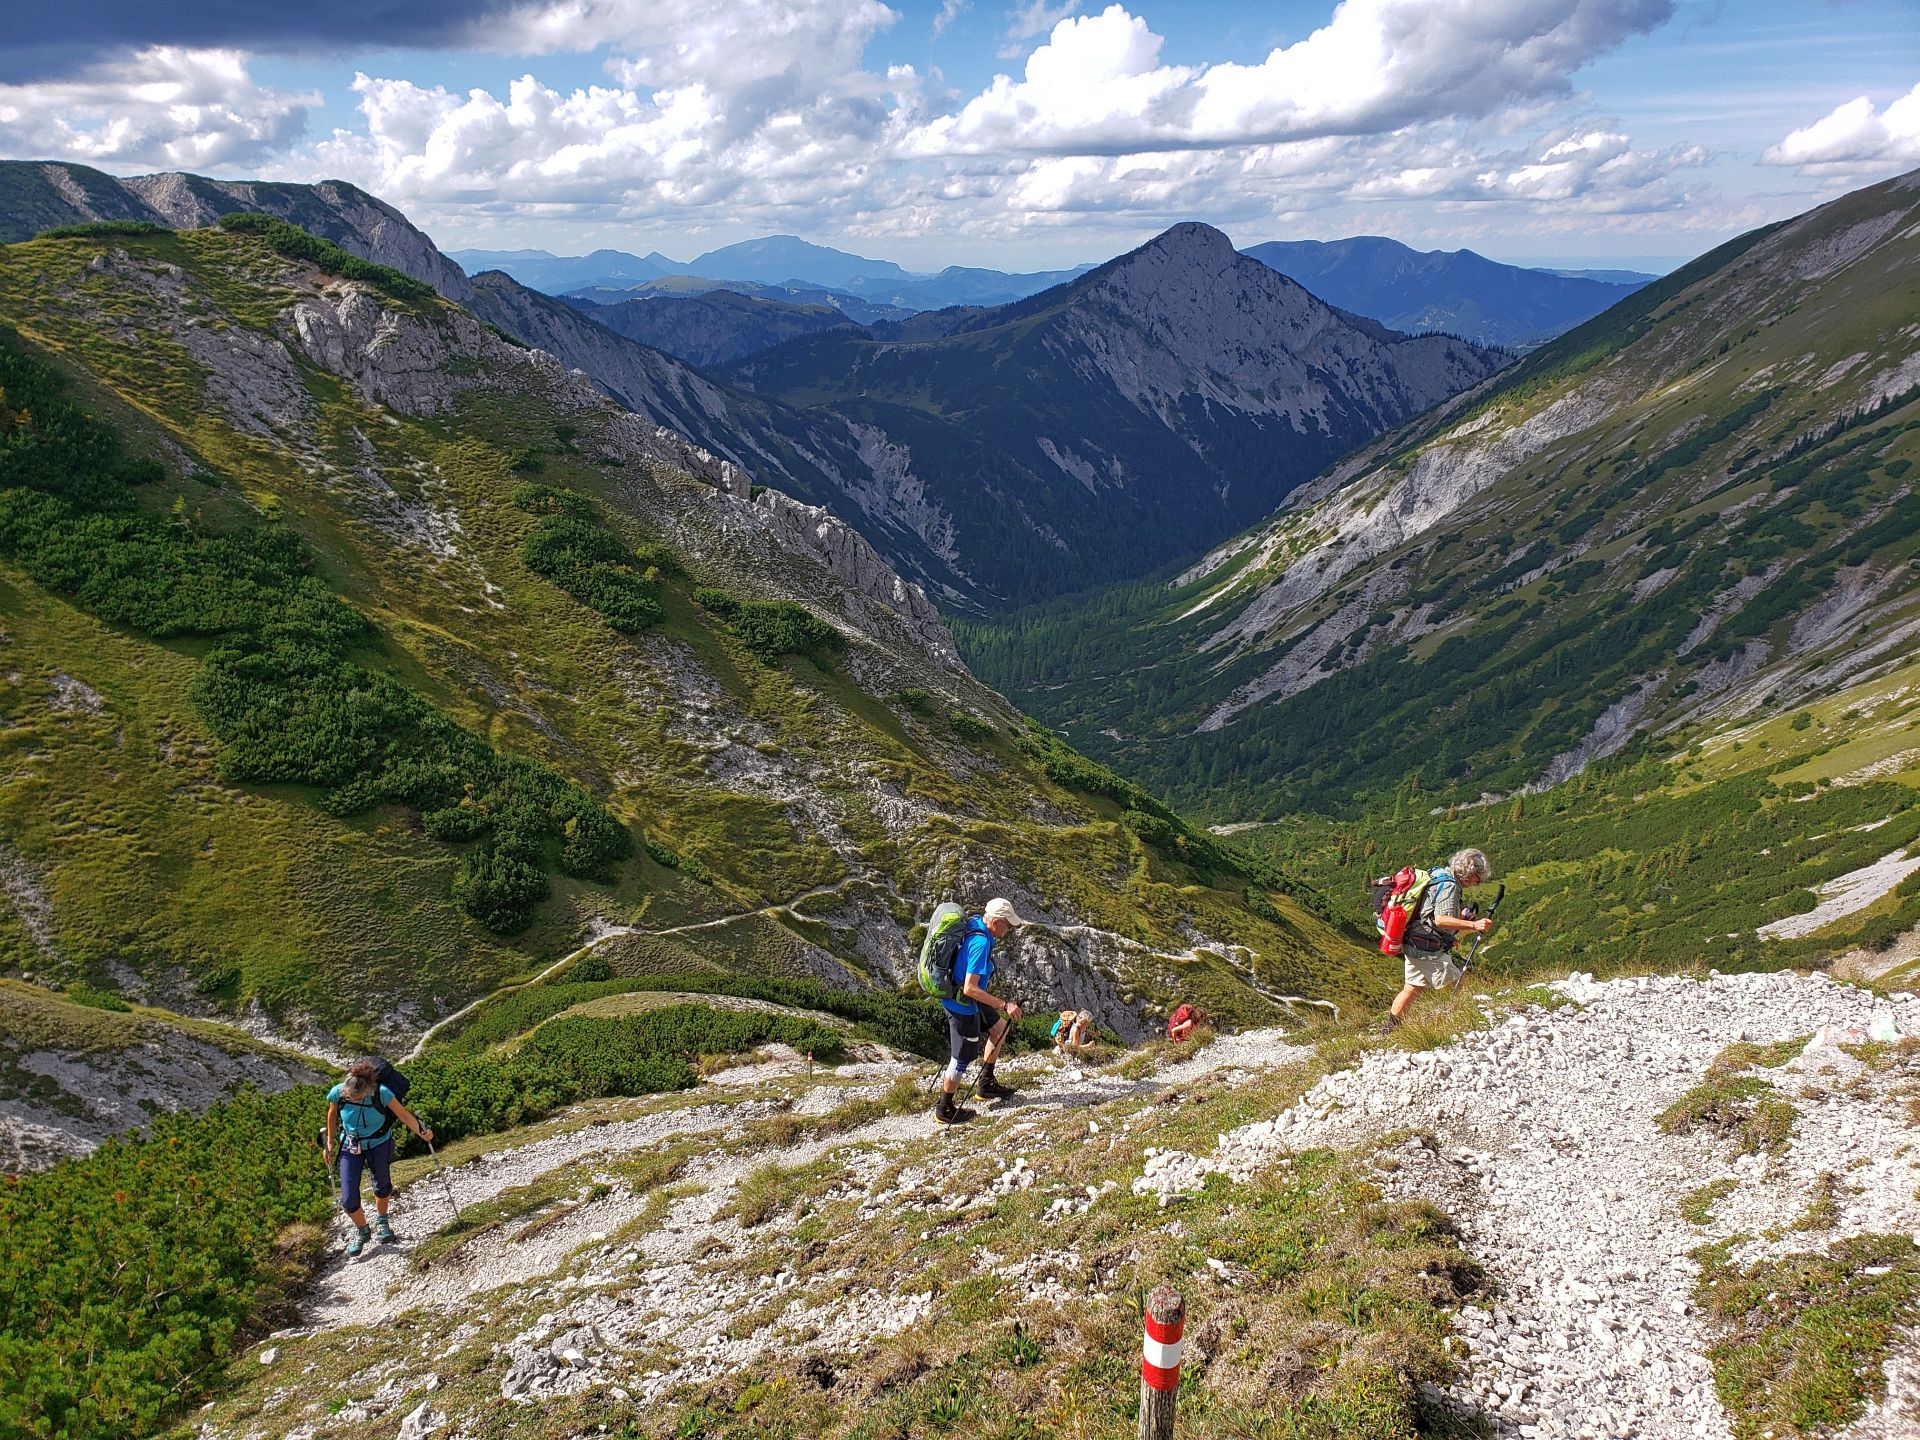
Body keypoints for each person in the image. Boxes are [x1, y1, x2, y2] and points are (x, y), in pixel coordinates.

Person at [934, 896, 1030, 1125]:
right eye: (1007, 925)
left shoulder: (977, 924)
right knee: (962, 1058)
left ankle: (986, 1085)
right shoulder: (981, 943)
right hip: (962, 1004)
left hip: (969, 998)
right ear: (996, 922)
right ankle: (944, 1108)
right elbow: (970, 988)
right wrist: (1004, 1004)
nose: (1008, 930)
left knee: (999, 1029)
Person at [324, 1059, 434, 1256]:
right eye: (350, 1095)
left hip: (379, 1143)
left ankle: (382, 1221)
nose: (353, 1098)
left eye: (357, 1096)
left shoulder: (382, 1093)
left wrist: (422, 1133)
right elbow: (332, 1115)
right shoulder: (339, 1092)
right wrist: (330, 1143)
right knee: (348, 1199)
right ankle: (362, 1230)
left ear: (368, 1089)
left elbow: (404, 1115)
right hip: (350, 1145)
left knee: (382, 1185)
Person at [1387, 848, 1495, 1026]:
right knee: (1456, 985)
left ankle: (1389, 1029)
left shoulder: (1439, 873)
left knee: (1412, 989)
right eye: (1478, 877)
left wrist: (1460, 918)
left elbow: (1429, 912)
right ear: (1470, 873)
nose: (1478, 882)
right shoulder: (1450, 885)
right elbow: (1441, 920)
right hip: (1427, 948)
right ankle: (1457, 1025)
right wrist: (1474, 925)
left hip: (1414, 939)